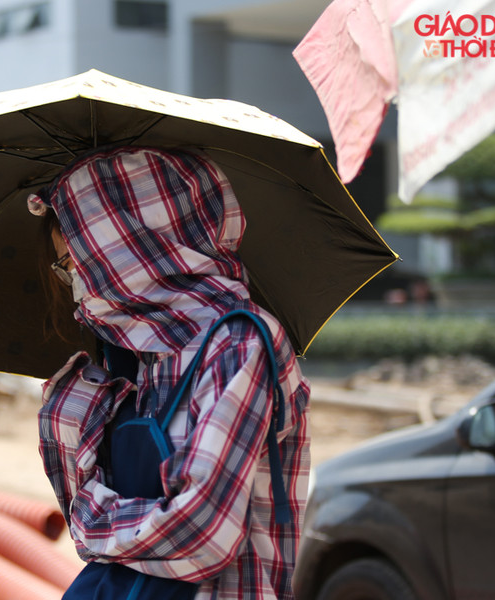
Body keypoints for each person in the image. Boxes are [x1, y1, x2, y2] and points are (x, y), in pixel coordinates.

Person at [27, 146, 311, 599]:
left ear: (131, 248)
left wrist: (92, 520)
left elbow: (202, 537)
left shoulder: (238, 346)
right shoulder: (139, 355)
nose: (75, 286)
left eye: (73, 264)